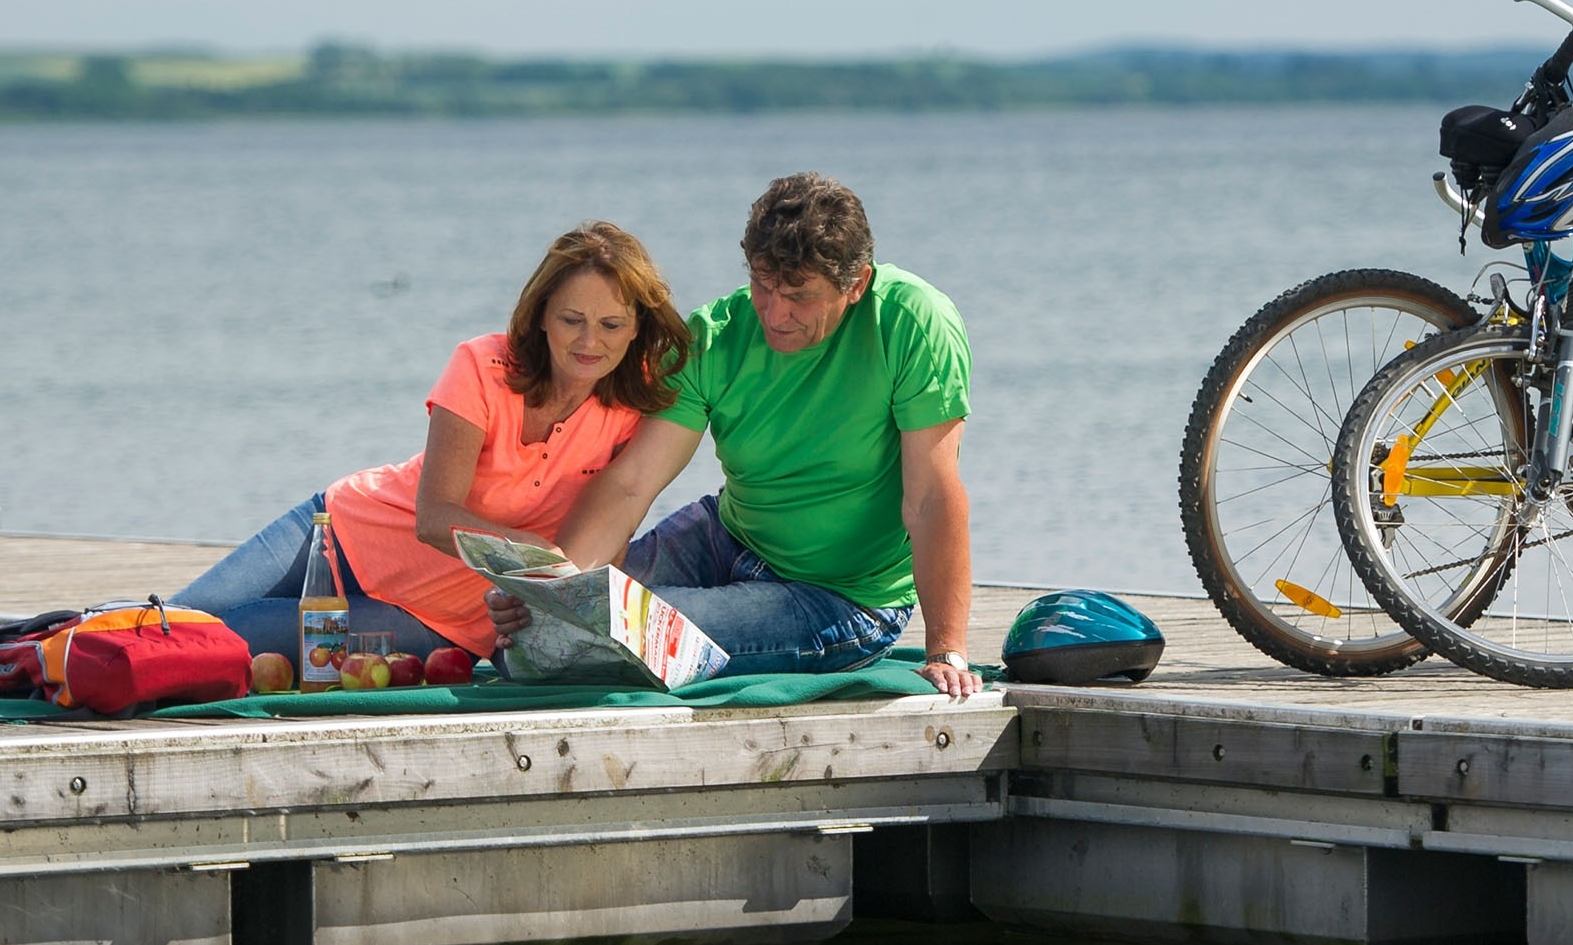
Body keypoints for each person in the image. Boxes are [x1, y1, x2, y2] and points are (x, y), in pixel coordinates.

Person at [496, 172, 982, 700]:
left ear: (857, 283)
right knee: (548, 622)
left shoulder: (912, 322)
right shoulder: (717, 335)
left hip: (839, 598)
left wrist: (946, 652)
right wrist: (555, 586)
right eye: (762, 285)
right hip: (727, 536)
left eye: (799, 295)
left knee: (617, 635)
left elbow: (932, 497)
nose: (775, 313)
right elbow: (633, 481)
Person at [171, 223, 690, 669]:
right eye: (571, 319)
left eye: (611, 325)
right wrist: (539, 558)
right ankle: (89, 635)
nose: (588, 341)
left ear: (637, 327)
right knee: (178, 620)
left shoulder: (637, 409)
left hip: (442, 623)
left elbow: (609, 536)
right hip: (342, 530)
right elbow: (434, 517)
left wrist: (540, 600)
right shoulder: (484, 367)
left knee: (229, 638)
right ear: (540, 313)